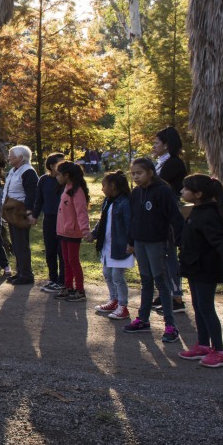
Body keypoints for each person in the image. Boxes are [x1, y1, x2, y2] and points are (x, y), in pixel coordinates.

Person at [123, 157, 185, 343]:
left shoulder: (163, 191)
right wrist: (131, 241)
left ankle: (170, 325)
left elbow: (176, 218)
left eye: (139, 173)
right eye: (133, 173)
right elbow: (133, 219)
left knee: (161, 283)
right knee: (145, 281)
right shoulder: (135, 193)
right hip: (140, 243)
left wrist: (181, 242)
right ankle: (143, 319)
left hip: (157, 243)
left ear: (150, 172)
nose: (135, 177)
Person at [177, 174, 223, 368]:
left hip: (206, 268)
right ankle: (203, 345)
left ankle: (219, 351)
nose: (182, 191)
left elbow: (220, 238)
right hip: (194, 266)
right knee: (198, 306)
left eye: (186, 189)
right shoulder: (198, 210)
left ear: (199, 194)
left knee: (206, 308)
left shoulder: (209, 214)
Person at [87, 171, 134, 319]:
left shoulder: (125, 202)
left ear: (112, 186)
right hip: (107, 245)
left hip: (120, 246)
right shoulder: (108, 201)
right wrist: (94, 234)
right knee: (107, 274)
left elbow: (129, 224)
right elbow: (102, 220)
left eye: (104, 185)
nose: (102, 189)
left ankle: (123, 305)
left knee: (117, 276)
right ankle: (113, 300)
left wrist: (131, 242)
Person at [153, 126, 189, 313]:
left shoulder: (174, 163)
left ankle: (176, 297)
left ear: (166, 145)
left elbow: (159, 185)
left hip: (168, 213)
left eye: (157, 143)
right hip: (159, 213)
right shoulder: (161, 162)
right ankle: (165, 292)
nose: (154, 147)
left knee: (169, 254)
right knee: (161, 254)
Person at [53, 161, 90, 302]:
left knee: (73, 261)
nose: (57, 177)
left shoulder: (77, 191)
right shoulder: (67, 188)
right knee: (66, 260)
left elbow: (82, 212)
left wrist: (85, 230)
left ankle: (80, 290)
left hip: (73, 232)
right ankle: (68, 286)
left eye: (59, 175)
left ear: (67, 175)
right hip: (63, 231)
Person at [30, 152, 67, 293]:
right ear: (52, 165)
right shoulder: (44, 180)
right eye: (60, 162)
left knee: (61, 251)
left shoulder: (64, 180)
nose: (64, 164)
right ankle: (53, 279)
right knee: (50, 250)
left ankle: (62, 281)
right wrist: (34, 215)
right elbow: (38, 199)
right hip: (49, 219)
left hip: (63, 219)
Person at [2, 146, 39, 285]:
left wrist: (29, 212)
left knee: (22, 243)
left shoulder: (28, 172)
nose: (9, 157)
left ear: (21, 157)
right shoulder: (13, 171)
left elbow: (31, 193)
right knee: (16, 243)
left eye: (11, 155)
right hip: (11, 211)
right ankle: (20, 271)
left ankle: (26, 274)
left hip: (21, 212)